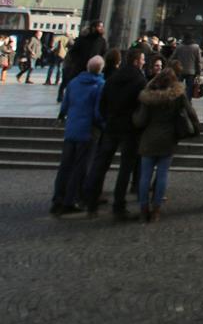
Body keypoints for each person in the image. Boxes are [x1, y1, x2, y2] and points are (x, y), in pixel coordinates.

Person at [83, 48, 148, 219]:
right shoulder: (140, 80)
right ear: (135, 61)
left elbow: (102, 104)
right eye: (142, 59)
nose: (144, 62)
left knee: (101, 164)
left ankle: (91, 203)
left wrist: (107, 119)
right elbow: (142, 106)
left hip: (111, 126)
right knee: (125, 168)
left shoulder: (112, 78)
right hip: (130, 129)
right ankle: (119, 206)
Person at [132, 67, 199, 222]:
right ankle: (156, 210)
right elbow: (190, 113)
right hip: (168, 138)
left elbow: (140, 120)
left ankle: (143, 209)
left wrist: (134, 118)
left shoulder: (147, 97)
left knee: (145, 176)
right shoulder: (177, 96)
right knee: (162, 175)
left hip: (149, 138)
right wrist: (195, 129)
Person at [50, 56, 105, 216]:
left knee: (65, 166)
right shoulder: (99, 85)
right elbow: (98, 112)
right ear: (100, 69)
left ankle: (57, 199)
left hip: (71, 129)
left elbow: (65, 105)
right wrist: (103, 126)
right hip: (87, 131)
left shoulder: (74, 83)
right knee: (80, 167)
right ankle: (71, 200)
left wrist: (62, 118)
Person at [62, 21, 107, 103]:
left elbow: (103, 54)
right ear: (93, 28)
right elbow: (73, 52)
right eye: (99, 27)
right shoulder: (83, 39)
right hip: (80, 69)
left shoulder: (102, 41)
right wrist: (78, 61)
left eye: (102, 27)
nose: (101, 29)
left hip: (95, 70)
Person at [170, 34, 202, 101]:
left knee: (177, 87)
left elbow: (172, 58)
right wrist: (199, 72)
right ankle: (187, 102)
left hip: (180, 70)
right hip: (191, 72)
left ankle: (177, 100)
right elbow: (198, 61)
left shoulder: (179, 47)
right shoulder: (196, 47)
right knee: (189, 89)